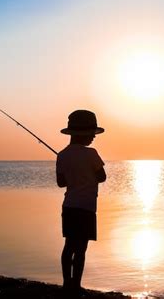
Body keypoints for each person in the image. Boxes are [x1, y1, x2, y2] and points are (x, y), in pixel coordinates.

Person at [56, 110, 106, 295]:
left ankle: (66, 284)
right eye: (91, 133)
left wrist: (74, 174)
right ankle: (76, 285)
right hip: (86, 207)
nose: (94, 136)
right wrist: (86, 174)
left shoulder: (61, 155)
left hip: (69, 206)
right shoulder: (92, 154)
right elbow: (102, 177)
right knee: (81, 248)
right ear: (83, 134)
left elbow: (61, 183)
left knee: (69, 246)